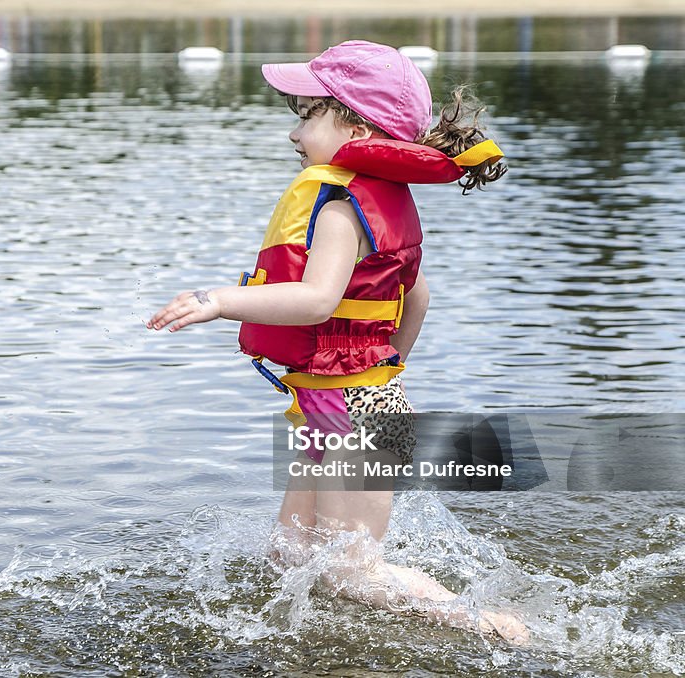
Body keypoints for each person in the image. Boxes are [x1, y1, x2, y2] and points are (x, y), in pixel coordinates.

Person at [147, 40, 526, 644]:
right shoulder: (377, 195)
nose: (295, 134)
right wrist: (385, 366)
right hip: (340, 402)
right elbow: (418, 296)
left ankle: (499, 628)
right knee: (290, 556)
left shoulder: (342, 207)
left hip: (355, 409)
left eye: (306, 115)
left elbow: (319, 300)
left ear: (356, 122)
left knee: (356, 574)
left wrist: (221, 301)